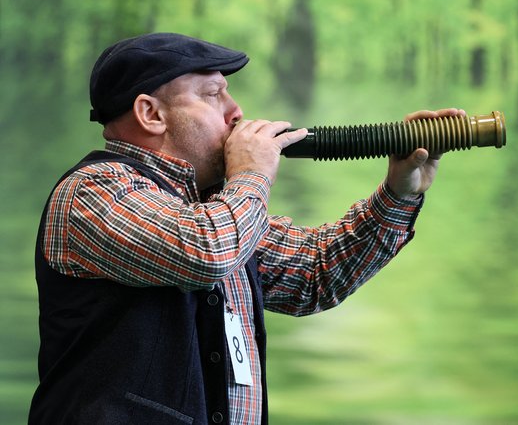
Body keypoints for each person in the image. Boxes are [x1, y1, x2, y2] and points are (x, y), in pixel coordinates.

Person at [29, 32, 465, 424]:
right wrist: (252, 173)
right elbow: (205, 253)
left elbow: (314, 274)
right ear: (151, 114)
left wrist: (399, 192)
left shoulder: (218, 207)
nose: (237, 112)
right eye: (213, 94)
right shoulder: (93, 192)